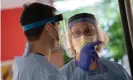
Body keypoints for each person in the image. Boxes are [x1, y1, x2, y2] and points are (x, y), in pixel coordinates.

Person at [60, 13, 132, 80]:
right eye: (77, 32)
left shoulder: (117, 69)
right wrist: (82, 69)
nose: (83, 37)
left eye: (88, 31)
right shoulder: (62, 75)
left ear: (98, 36)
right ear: (70, 41)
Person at [12, 2, 66, 80]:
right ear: (49, 27)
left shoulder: (21, 65)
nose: (59, 31)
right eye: (58, 25)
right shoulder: (49, 74)